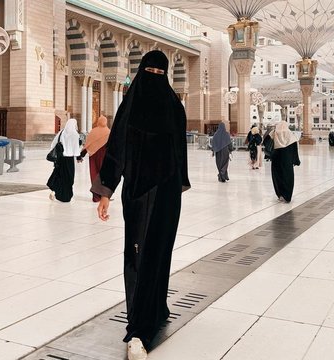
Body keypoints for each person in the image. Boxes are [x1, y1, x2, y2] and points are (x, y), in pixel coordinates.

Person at [91, 50, 190, 360]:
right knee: (142, 256)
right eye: (152, 72)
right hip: (153, 195)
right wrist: (105, 190)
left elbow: (121, 149)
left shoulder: (145, 104)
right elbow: (117, 150)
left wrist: (108, 190)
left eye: (159, 73)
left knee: (154, 255)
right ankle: (140, 322)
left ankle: (148, 317)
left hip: (155, 195)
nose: (155, 79)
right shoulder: (171, 104)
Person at [77, 115, 110, 202]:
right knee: (104, 176)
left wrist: (81, 155)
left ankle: (96, 197)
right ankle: (104, 196)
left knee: (94, 174)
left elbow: (87, 145)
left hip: (93, 156)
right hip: (104, 157)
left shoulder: (93, 131)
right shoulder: (108, 131)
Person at [47, 118, 80, 202]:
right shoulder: (75, 134)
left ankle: (55, 191)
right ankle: (66, 196)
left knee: (60, 176)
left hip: (61, 159)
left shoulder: (62, 132)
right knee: (69, 178)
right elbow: (76, 148)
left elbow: (54, 143)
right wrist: (78, 157)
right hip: (69, 160)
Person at [270, 121, 301, 203]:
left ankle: (280, 195)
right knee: (288, 177)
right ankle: (287, 196)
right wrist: (296, 160)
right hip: (287, 161)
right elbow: (295, 150)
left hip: (276, 160)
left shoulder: (274, 134)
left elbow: (268, 144)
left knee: (277, 177)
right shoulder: (291, 135)